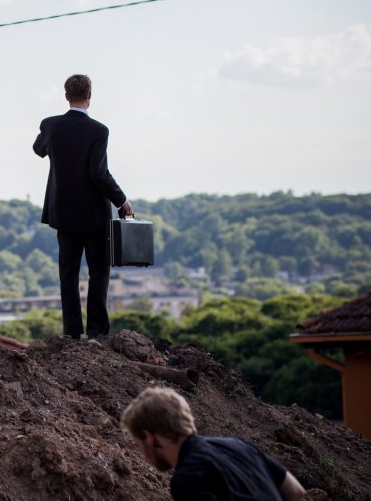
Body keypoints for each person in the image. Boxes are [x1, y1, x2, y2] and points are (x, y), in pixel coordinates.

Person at [33, 74, 132, 339]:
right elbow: (99, 174)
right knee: (98, 272)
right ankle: (97, 333)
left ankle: (72, 333)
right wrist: (121, 200)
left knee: (68, 274)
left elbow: (37, 149)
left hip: (63, 213)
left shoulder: (51, 126)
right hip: (94, 216)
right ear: (90, 96)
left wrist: (52, 136)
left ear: (66, 96)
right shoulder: (99, 131)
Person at [121, 386, 307, 501]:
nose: (143, 455)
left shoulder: (188, 477)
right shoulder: (238, 445)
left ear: (149, 436)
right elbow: (296, 491)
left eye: (138, 445)